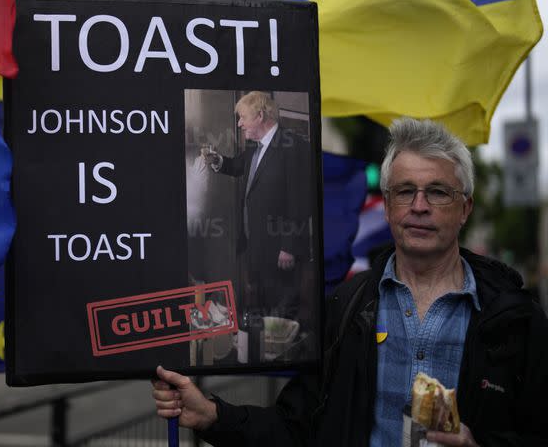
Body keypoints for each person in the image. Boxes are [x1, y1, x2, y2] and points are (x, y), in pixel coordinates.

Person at [153, 118, 548, 446]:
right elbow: (298, 427)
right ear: (389, 205)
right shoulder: (347, 308)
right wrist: (212, 415)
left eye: (438, 192)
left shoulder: (515, 320)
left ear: (465, 209)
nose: (420, 206)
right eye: (405, 191)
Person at [202, 91, 311, 318]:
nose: (240, 124)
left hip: (281, 249)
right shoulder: (254, 146)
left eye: (243, 117)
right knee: (260, 309)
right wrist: (218, 161)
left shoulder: (293, 147)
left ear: (260, 116)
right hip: (255, 245)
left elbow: (300, 200)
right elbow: (238, 166)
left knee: (281, 312)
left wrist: (289, 246)